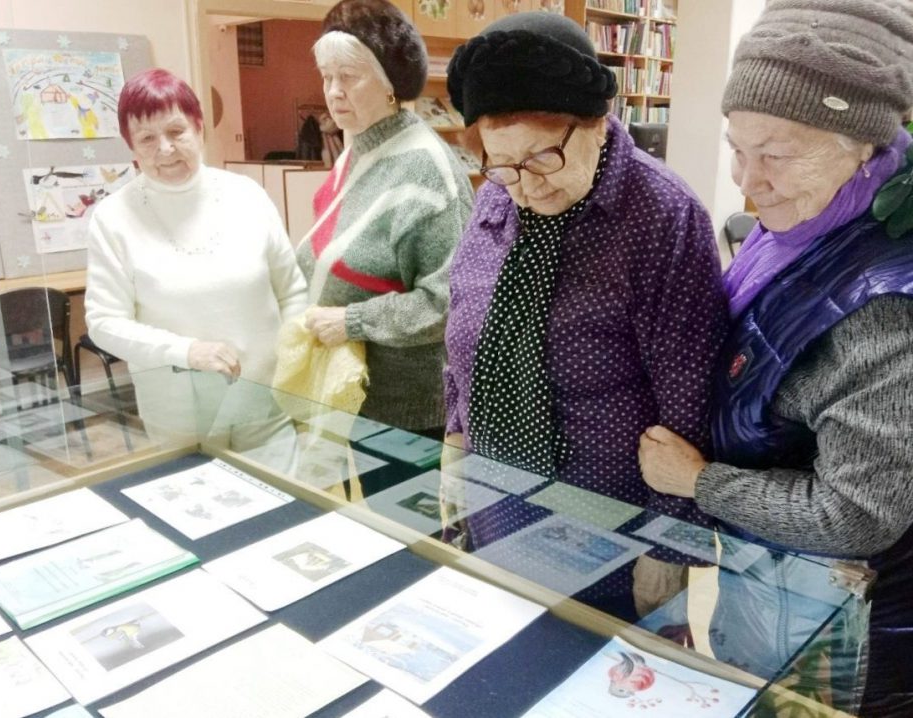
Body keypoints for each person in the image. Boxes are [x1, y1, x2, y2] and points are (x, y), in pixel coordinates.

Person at [637, 2, 913, 714]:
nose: (746, 181)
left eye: (776, 155)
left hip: (840, 627)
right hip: (778, 583)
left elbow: (857, 517)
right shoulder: (810, 218)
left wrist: (699, 482)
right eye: (737, 148)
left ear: (863, 146)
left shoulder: (887, 310)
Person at [442, 11, 726, 612]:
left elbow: (691, 397)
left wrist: (669, 547)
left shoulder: (663, 216)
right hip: (495, 499)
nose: (527, 187)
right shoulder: (497, 196)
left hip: (608, 525)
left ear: (597, 122)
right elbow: (463, 327)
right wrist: (454, 437)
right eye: (502, 164)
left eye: (543, 157)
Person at [86, 68, 307, 440]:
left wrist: (291, 365)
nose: (165, 149)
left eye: (176, 131)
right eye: (147, 138)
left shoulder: (247, 196)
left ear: (199, 128)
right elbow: (104, 322)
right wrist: (186, 351)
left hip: (266, 403)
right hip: (178, 414)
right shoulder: (113, 218)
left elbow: (292, 291)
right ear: (132, 148)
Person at [295, 0, 473, 445]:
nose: (334, 92)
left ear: (391, 83)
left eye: (349, 76)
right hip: (350, 396)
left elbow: (447, 303)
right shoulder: (357, 152)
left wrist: (353, 321)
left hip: (406, 413)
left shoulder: (426, 167)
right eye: (327, 76)